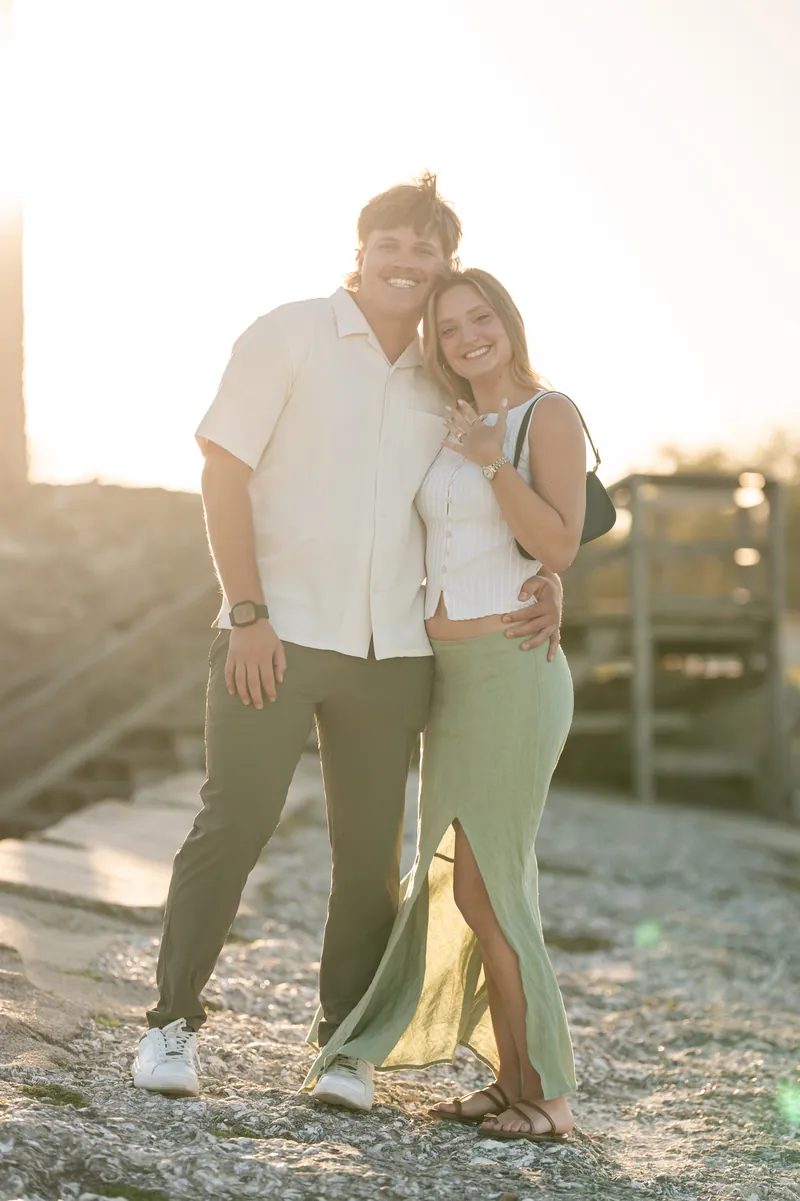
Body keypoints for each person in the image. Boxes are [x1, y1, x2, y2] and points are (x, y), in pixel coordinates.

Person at [131, 178, 565, 1103]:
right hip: (275, 634)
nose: (407, 265)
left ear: (445, 264)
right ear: (361, 248)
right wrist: (246, 612)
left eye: (426, 253)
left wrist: (551, 578)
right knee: (234, 823)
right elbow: (223, 473)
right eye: (391, 246)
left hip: (396, 653)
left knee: (368, 858)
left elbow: (485, 508)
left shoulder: (444, 379)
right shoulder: (287, 333)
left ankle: (345, 1046)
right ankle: (171, 1026)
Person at [303, 268, 586, 1142]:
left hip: (513, 669)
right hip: (448, 679)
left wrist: (494, 464)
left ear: (508, 321)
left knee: (492, 885)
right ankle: (511, 1080)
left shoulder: (551, 414)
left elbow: (560, 542)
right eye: (450, 326)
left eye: (481, 318)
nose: (468, 336)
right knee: (471, 889)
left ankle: (551, 1096)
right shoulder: (445, 423)